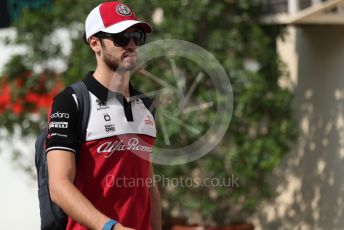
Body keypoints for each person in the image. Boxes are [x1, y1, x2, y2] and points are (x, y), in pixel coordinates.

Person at [46, 2, 161, 230]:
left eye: (136, 36)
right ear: (95, 43)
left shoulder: (146, 105)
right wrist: (111, 228)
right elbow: (59, 186)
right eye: (120, 38)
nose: (131, 44)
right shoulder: (71, 101)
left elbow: (149, 185)